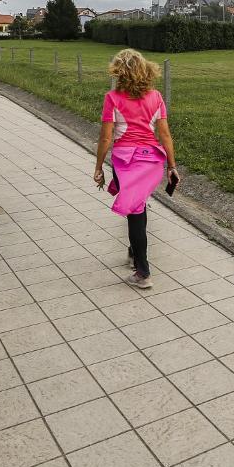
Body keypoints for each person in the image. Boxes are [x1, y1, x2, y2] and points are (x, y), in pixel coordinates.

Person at [93, 49, 179, 289]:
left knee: (136, 213)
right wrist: (171, 166)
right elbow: (165, 135)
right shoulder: (156, 97)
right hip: (152, 162)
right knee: (137, 206)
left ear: (119, 72)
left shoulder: (112, 98)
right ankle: (134, 252)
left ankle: (143, 272)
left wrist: (98, 166)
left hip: (126, 163)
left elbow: (105, 138)